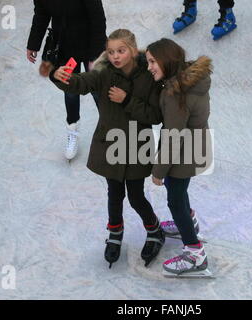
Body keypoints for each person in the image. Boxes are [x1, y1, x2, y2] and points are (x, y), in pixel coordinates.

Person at [50, 29, 165, 268]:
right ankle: (115, 233)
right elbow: (80, 84)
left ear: (133, 51)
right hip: (110, 143)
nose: (115, 56)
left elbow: (155, 115)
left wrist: (126, 100)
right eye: (111, 51)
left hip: (136, 145)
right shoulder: (103, 73)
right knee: (114, 194)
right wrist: (59, 76)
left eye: (121, 51)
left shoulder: (148, 77)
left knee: (135, 196)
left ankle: (154, 230)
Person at [145, 38, 213, 275]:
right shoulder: (191, 80)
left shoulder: (176, 94)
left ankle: (195, 255)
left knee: (174, 200)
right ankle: (189, 222)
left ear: (166, 60)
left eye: (153, 61)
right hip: (195, 147)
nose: (149, 67)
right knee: (179, 193)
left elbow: (173, 137)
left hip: (182, 155)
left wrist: (158, 171)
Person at [27, 0, 107, 160]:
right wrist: (33, 44)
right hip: (65, 47)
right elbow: (41, 15)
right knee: (69, 90)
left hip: (89, 43)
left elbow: (98, 18)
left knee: (98, 90)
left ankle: (110, 130)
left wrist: (95, 55)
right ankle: (73, 130)